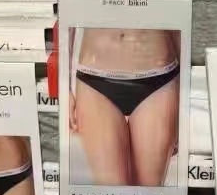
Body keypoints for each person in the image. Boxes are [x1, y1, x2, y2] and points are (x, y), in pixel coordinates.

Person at [68, 28, 180, 186]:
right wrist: (64, 87)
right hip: (95, 77)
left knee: (148, 194)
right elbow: (65, 20)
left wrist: (183, 96)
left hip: (159, 76)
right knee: (111, 193)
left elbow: (180, 22)